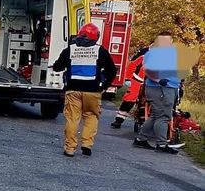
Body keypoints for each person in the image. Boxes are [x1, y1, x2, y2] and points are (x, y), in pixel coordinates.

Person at [51, 22, 118, 157]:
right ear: (96, 37)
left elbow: (57, 67)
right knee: (91, 116)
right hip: (93, 91)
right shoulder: (100, 51)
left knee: (72, 118)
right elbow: (112, 70)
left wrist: (59, 65)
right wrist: (104, 86)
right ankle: (87, 144)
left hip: (73, 90)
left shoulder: (70, 49)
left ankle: (70, 148)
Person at [134, 32, 182, 154]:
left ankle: (141, 139)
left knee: (156, 115)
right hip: (160, 88)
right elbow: (148, 70)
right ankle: (161, 144)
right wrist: (159, 80)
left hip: (169, 88)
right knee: (163, 116)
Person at [110, 45, 148, 128]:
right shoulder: (143, 57)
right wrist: (128, 79)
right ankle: (119, 120)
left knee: (147, 101)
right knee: (129, 98)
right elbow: (132, 66)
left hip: (150, 83)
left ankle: (143, 121)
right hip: (137, 80)